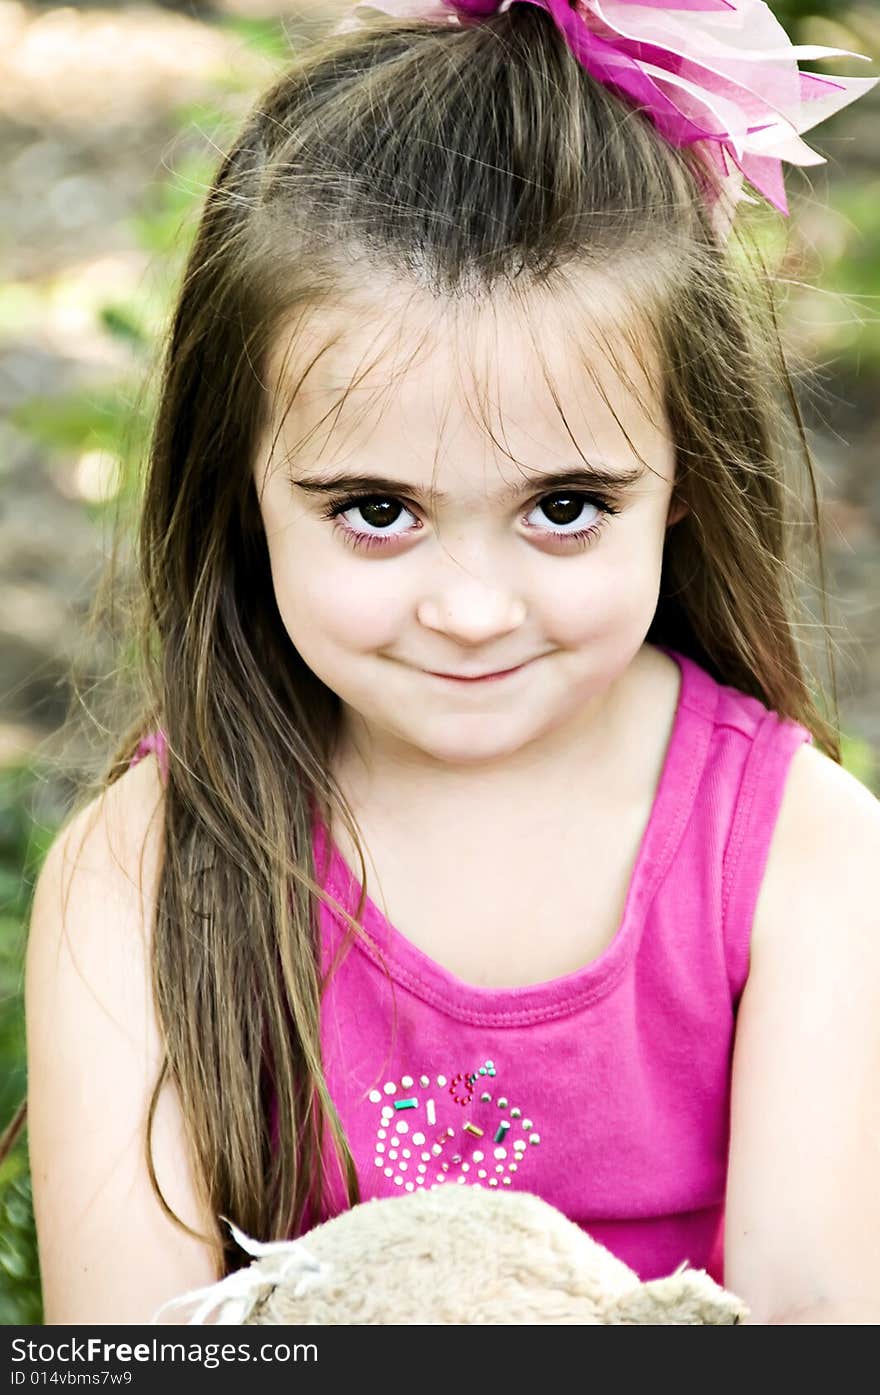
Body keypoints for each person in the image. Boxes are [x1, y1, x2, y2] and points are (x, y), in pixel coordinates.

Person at [20, 0, 880, 1325]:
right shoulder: (143, 875)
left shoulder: (805, 865)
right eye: (377, 509)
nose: (473, 611)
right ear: (240, 483)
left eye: (564, 505)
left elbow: (820, 1330)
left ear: (686, 478)